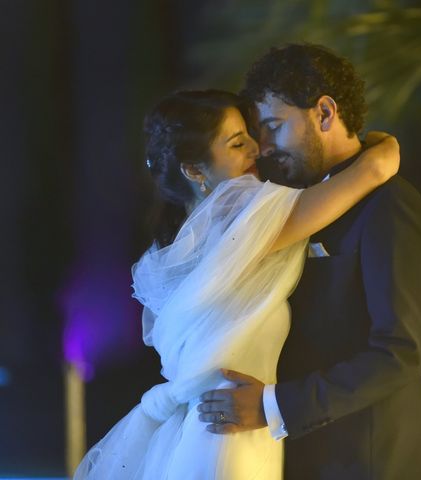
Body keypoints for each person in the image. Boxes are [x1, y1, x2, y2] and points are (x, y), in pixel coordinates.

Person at [73, 89, 399, 479]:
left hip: (204, 427)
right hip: (231, 433)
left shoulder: (181, 246)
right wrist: (385, 141)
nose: (257, 150)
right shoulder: (243, 212)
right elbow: (376, 169)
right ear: (194, 170)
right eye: (237, 142)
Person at [198, 44, 421, 479]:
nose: (265, 148)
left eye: (274, 126)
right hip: (303, 455)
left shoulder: (390, 205)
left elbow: (399, 352)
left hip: (369, 461)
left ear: (325, 113)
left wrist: (274, 405)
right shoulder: (288, 205)